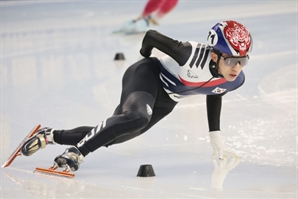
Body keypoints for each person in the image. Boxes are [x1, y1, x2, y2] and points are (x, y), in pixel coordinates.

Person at [21, 20, 253, 172]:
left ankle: (50, 136)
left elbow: (215, 91)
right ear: (214, 56)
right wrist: (144, 56)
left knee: (114, 136)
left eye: (243, 61)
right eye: (232, 60)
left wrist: (216, 137)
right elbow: (151, 36)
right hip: (147, 75)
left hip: (168, 99)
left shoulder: (236, 80)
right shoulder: (189, 53)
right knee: (137, 117)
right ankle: (77, 152)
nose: (237, 68)